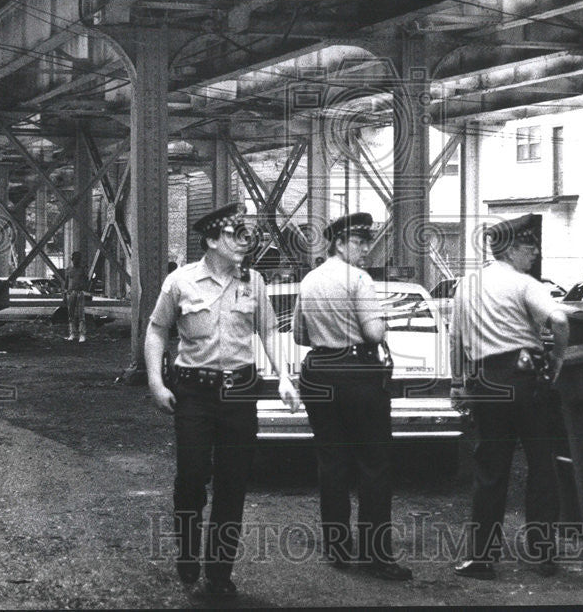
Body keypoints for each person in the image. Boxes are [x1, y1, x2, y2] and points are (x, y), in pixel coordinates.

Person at [145, 203, 300, 597]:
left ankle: (219, 573)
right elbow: (157, 330)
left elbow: (268, 332)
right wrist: (155, 382)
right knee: (193, 475)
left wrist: (284, 376)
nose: (244, 241)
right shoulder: (180, 282)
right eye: (235, 234)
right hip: (193, 392)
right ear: (212, 240)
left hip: (240, 394)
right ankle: (187, 552)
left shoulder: (255, 281)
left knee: (233, 483)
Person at [291, 212, 413, 581]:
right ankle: (376, 556)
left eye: (366, 242)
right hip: (358, 373)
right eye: (359, 243)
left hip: (319, 373)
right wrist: (382, 320)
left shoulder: (310, 280)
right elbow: (374, 334)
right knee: (374, 464)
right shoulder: (358, 279)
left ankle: (337, 549)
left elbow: (299, 334)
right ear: (339, 243)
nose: (365, 249)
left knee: (332, 461)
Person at [450, 213, 571, 581]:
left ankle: (481, 559)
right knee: (541, 464)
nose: (534, 253)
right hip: (527, 378)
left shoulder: (465, 285)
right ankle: (543, 554)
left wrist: (458, 384)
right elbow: (561, 321)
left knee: (490, 469)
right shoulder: (524, 284)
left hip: (487, 383)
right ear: (510, 249)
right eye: (528, 246)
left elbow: (455, 339)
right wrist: (559, 358)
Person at [63, 251, 90, 342]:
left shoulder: (82, 270)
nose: (76, 261)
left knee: (81, 314)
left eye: (78, 259)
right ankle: (72, 333)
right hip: (71, 293)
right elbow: (66, 283)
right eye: (75, 259)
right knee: (71, 314)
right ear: (72, 259)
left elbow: (86, 281)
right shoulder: (68, 270)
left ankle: (82, 334)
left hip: (79, 292)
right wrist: (65, 294)